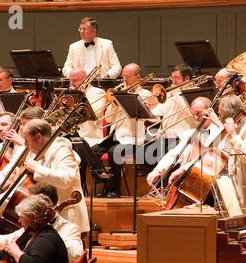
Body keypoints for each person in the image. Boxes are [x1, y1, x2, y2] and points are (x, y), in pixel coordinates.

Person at [0, 119, 90, 233]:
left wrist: (37, 168)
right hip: (45, 216)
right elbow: (13, 178)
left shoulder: (62, 149)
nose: (24, 144)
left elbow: (66, 179)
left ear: (38, 137)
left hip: (66, 217)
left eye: (27, 140)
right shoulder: (31, 152)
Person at [91, 63, 152, 198]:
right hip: (114, 136)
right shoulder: (120, 93)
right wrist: (114, 104)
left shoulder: (144, 94)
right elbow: (110, 119)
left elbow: (148, 117)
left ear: (138, 77)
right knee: (92, 151)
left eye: (128, 77)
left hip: (132, 138)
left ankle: (114, 189)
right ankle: (105, 180)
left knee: (114, 152)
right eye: (123, 77)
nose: (124, 80)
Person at [0, 183, 84, 261]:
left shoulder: (69, 228)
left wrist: (51, 238)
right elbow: (10, 238)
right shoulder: (33, 225)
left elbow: (75, 254)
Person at [146, 96, 221, 187]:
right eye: (193, 115)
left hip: (210, 183)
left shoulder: (219, 131)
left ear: (210, 111)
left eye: (199, 113)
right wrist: (157, 170)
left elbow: (207, 157)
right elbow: (175, 153)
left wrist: (183, 169)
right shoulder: (192, 133)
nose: (196, 117)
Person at [68, 67, 110, 191]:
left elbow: (95, 114)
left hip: (91, 136)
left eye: (74, 80)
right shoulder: (70, 93)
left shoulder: (97, 92)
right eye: (70, 80)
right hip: (74, 134)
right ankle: (93, 174)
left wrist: (79, 98)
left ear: (85, 79)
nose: (71, 84)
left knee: (78, 147)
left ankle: (80, 187)